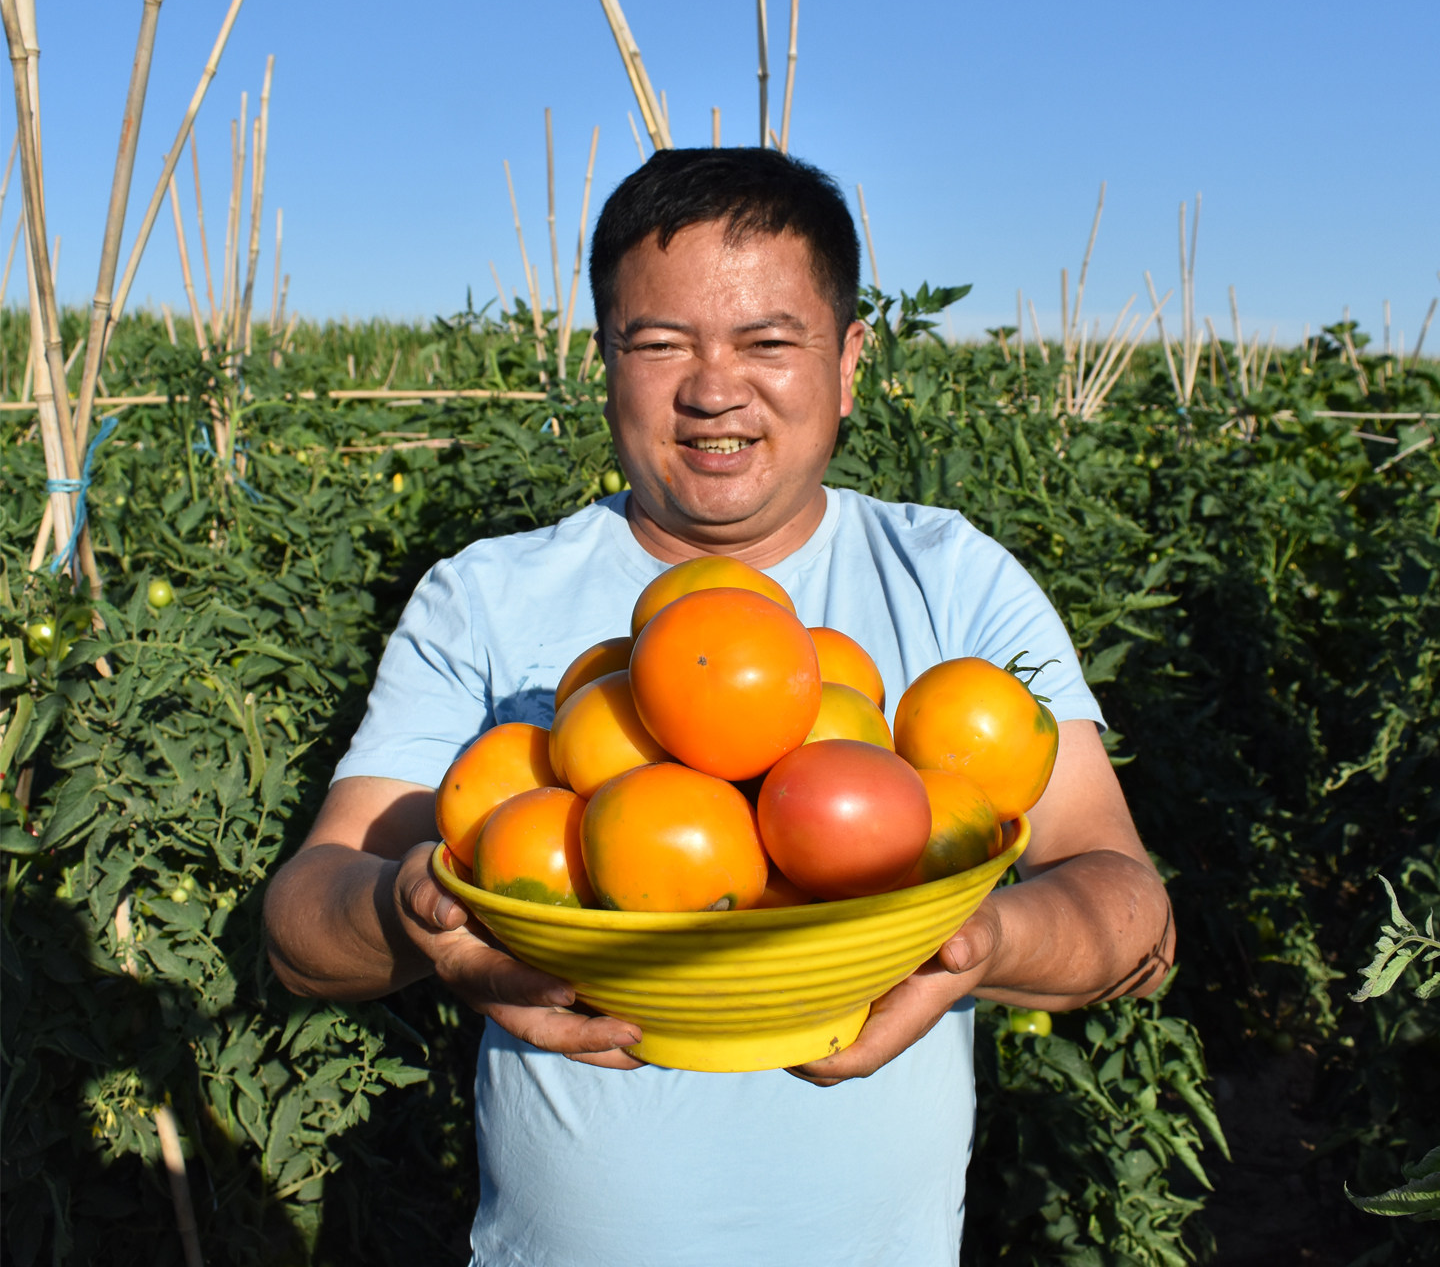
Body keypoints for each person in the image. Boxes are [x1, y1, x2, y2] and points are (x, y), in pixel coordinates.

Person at [264, 147, 1175, 1267]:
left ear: (849, 362)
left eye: (768, 342)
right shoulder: (487, 597)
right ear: (603, 362)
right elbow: (303, 929)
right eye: (660, 343)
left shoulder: (953, 580)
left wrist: (982, 943)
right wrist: (417, 912)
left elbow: (1133, 914)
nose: (713, 388)